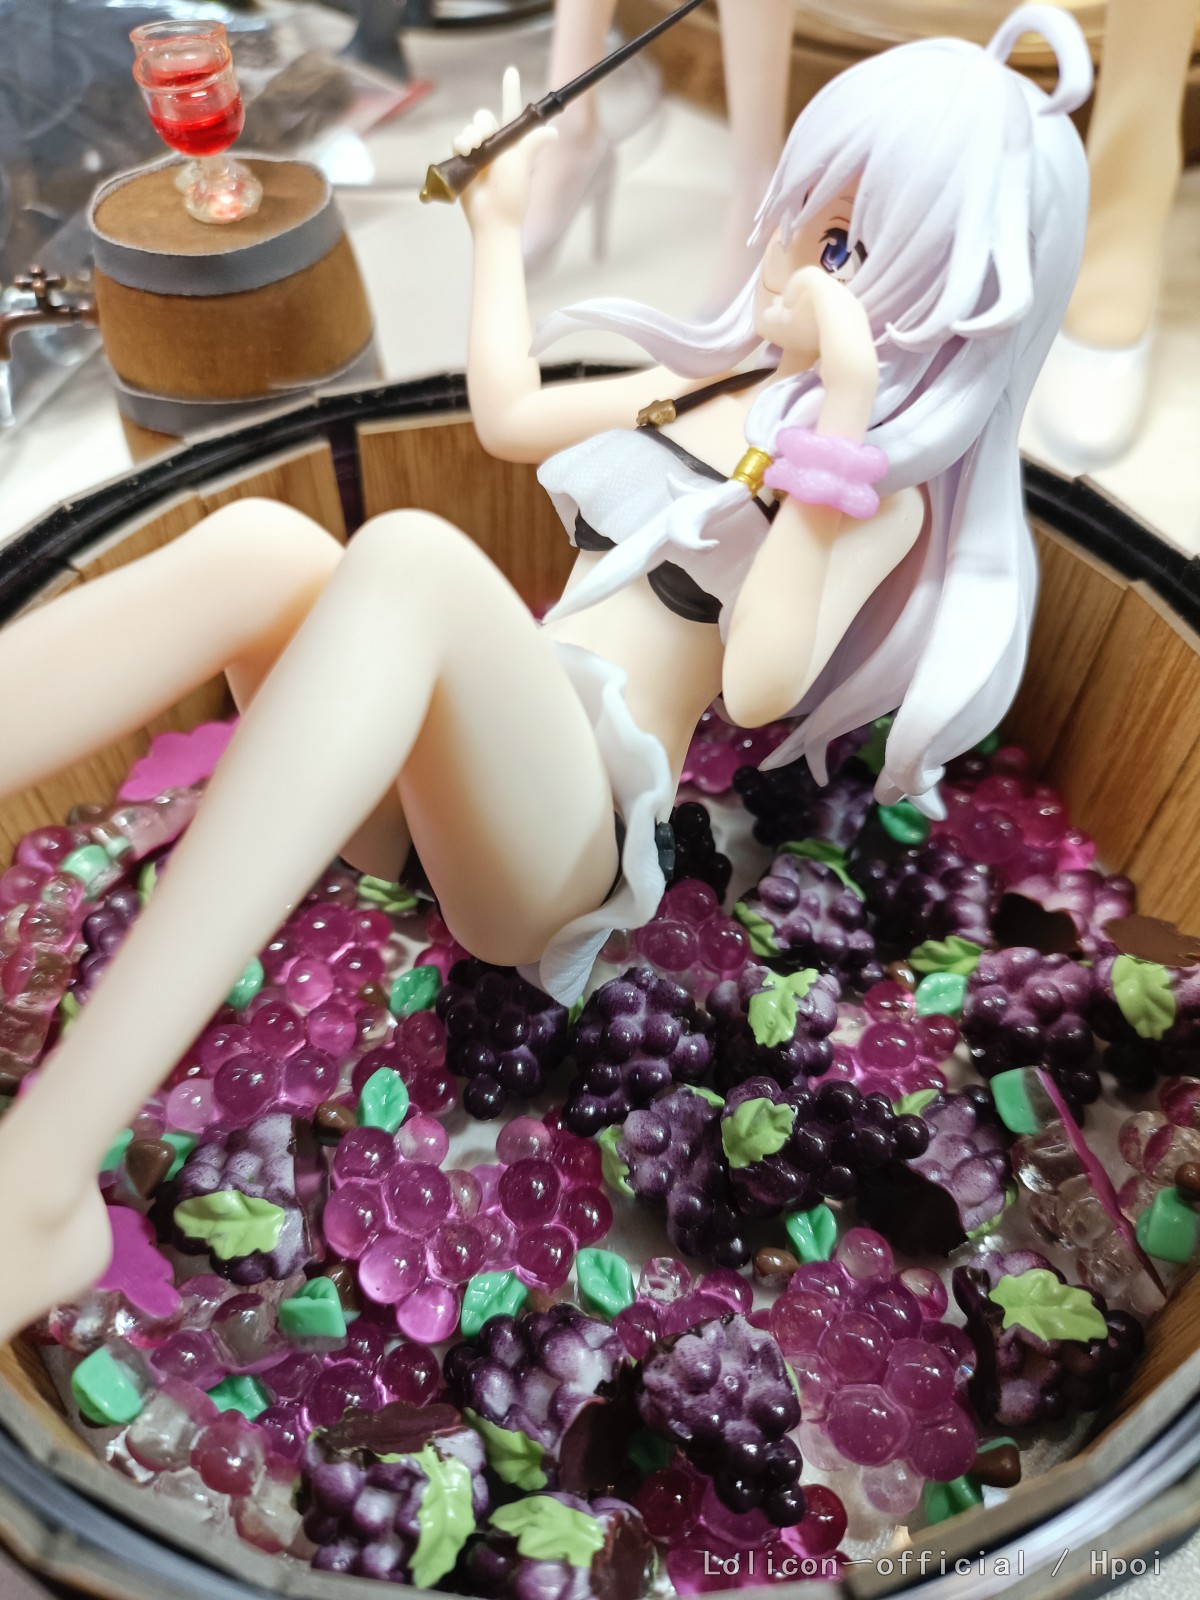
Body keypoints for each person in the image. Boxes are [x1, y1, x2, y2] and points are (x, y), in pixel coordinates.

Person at [0, 4, 1090, 1341]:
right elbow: (511, 414)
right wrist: (498, 229)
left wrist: (842, 437)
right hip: (449, 776)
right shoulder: (711, 391)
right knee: (262, 548)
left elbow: (762, 685)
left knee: (408, 558)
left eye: (852, 252)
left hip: (568, 844)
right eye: (811, 216)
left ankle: (42, 1181)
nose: (800, 264)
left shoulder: (870, 500)